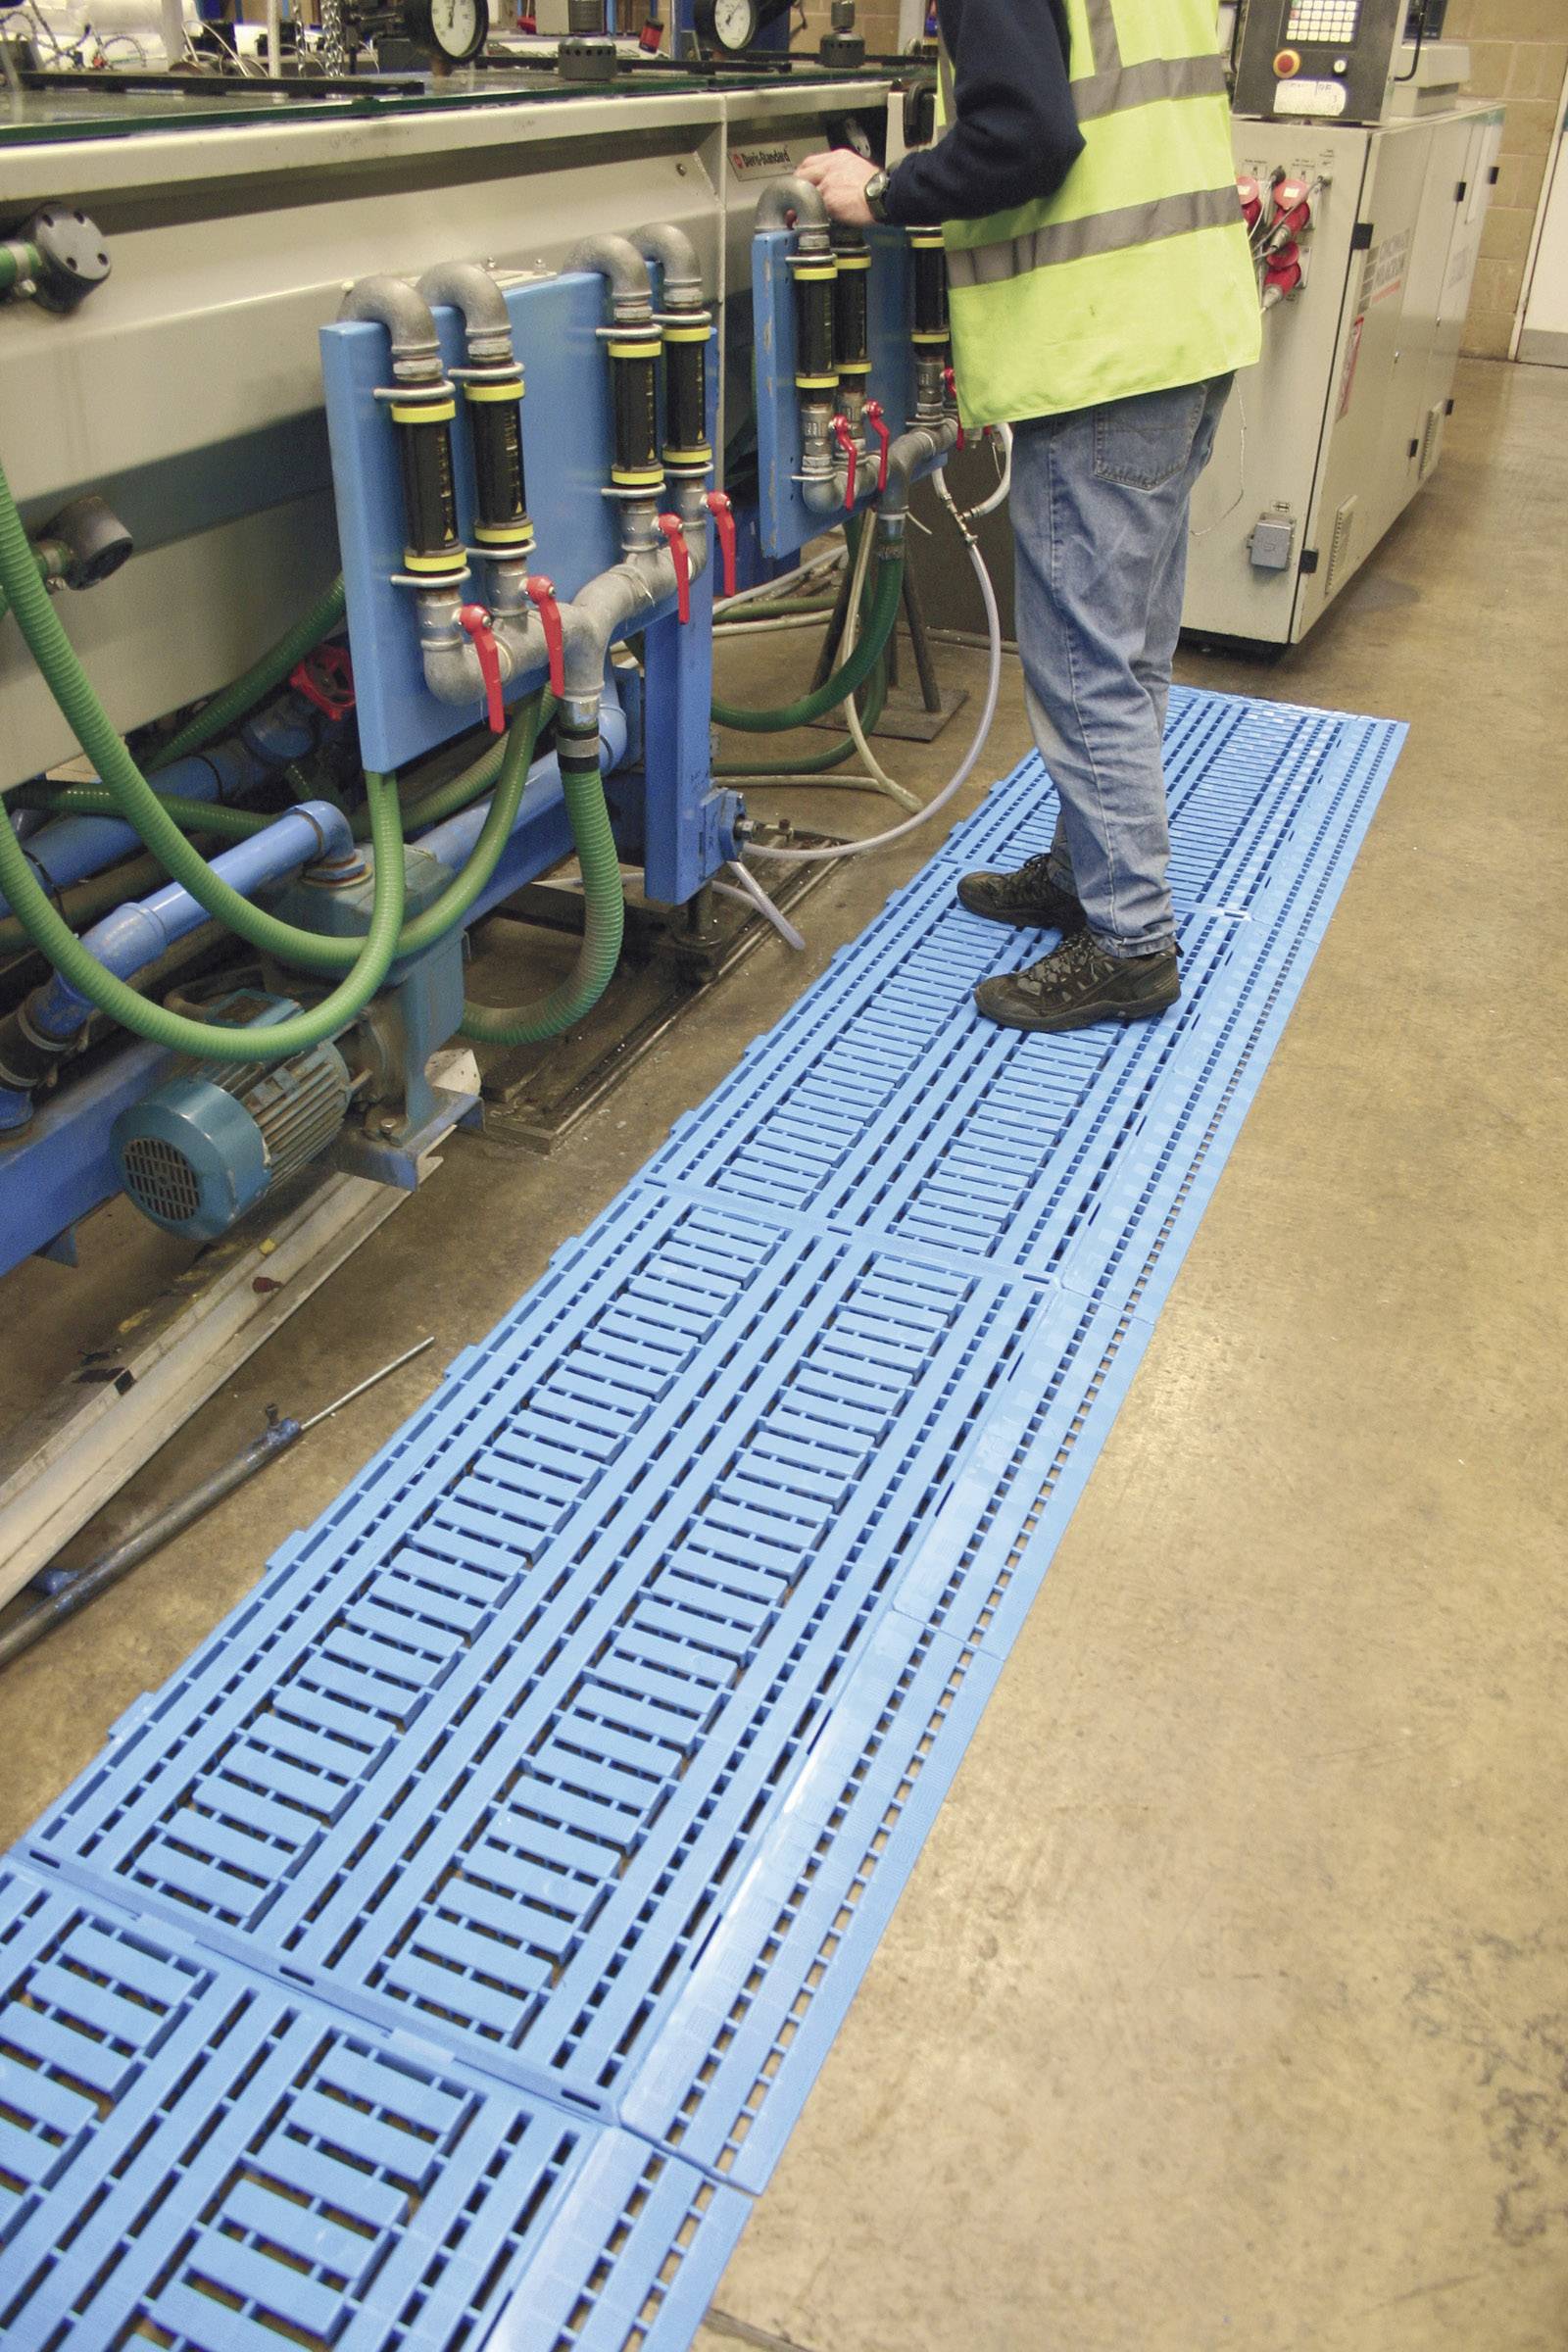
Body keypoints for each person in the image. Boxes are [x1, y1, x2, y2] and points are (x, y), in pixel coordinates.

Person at [799, 0, 1260, 1034]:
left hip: (1099, 352)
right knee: (1130, 650)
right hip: (1185, 324)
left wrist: (883, 190)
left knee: (1086, 667)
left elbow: (1026, 138)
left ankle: (1130, 943)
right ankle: (1083, 870)